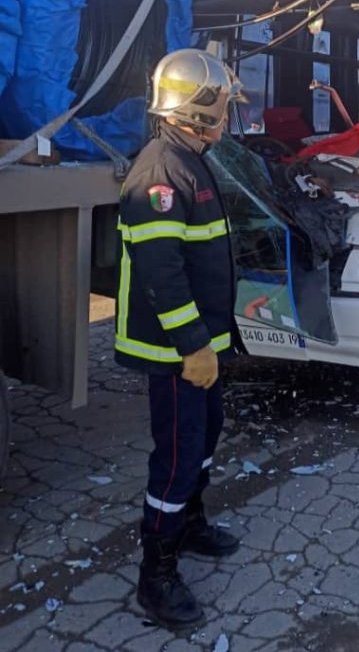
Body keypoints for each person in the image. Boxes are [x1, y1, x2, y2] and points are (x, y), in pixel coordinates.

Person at [115, 48, 245, 630]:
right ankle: (157, 576)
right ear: (198, 111)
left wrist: (210, 342)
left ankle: (189, 524)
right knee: (175, 458)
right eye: (223, 108)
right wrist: (193, 344)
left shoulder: (190, 157)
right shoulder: (162, 169)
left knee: (205, 437)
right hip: (175, 351)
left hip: (201, 346)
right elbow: (160, 271)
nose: (229, 118)